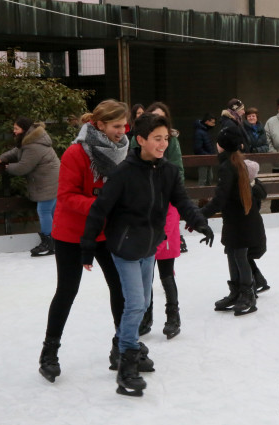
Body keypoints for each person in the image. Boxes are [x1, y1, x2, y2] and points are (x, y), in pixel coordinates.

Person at [81, 112, 214, 396]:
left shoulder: (167, 171)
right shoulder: (123, 173)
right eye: (157, 139)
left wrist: (200, 221)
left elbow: (182, 200)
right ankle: (127, 364)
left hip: (149, 247)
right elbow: (99, 209)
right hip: (126, 248)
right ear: (140, 140)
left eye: (166, 138)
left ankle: (120, 348)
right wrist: (88, 245)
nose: (163, 144)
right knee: (135, 305)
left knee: (141, 303)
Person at [38, 100, 144, 384]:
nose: (122, 132)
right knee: (68, 290)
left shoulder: (123, 151)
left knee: (120, 287)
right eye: (116, 126)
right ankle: (49, 351)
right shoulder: (77, 153)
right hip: (72, 232)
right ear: (99, 125)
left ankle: (121, 346)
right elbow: (67, 196)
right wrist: (103, 205)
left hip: (104, 232)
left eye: (125, 126)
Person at [130, 102, 186, 339]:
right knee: (145, 272)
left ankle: (173, 315)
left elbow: (179, 173)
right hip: (144, 214)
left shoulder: (171, 143)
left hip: (167, 210)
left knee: (165, 269)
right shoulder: (138, 143)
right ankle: (145, 315)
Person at [200, 126, 266, 316]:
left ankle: (248, 294)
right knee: (232, 252)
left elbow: (220, 199)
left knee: (239, 255)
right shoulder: (233, 163)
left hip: (241, 220)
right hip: (237, 218)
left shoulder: (228, 166)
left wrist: (200, 214)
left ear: (221, 145)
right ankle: (237, 291)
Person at [0, 117, 60, 257]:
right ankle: (56, 240)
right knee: (51, 211)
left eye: (16, 129)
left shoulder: (33, 145)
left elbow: (23, 167)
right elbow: (16, 151)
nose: (14, 131)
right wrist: (2, 158)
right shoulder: (30, 140)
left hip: (48, 181)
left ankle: (49, 242)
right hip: (51, 180)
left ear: (24, 129)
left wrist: (8, 167)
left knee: (44, 211)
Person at [244, 159, 270, 293]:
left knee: (243, 257)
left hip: (251, 229)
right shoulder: (255, 186)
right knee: (245, 257)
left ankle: (253, 284)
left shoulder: (250, 190)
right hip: (254, 227)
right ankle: (259, 280)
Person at [194, 113, 217, 186]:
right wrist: (208, 155)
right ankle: (201, 196)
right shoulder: (200, 132)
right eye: (212, 122)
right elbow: (197, 148)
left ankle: (206, 196)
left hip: (208, 157)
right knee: (203, 179)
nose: (214, 124)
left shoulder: (205, 131)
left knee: (209, 178)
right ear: (207, 121)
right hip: (203, 158)